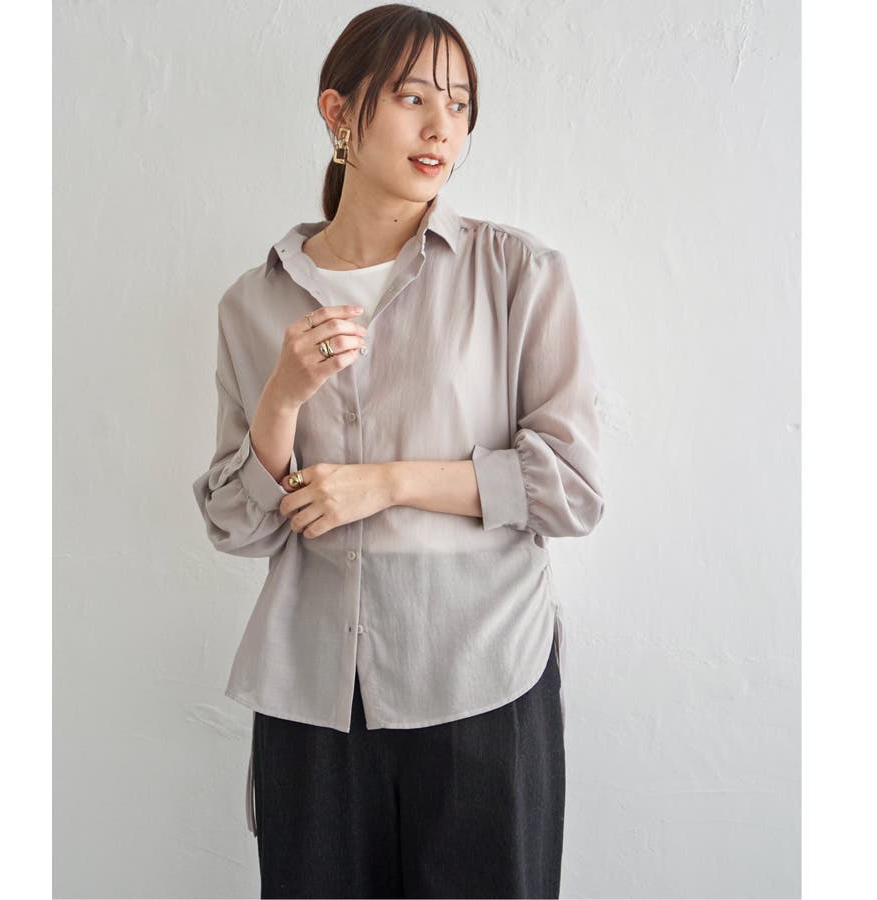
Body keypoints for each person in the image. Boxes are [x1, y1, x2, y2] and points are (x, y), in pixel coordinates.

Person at [192, 4, 605, 898]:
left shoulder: (517, 274)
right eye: (413, 98)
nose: (441, 128)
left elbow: (571, 488)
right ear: (339, 113)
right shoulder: (251, 304)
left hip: (483, 679)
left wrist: (386, 483)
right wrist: (282, 396)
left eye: (458, 105)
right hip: (311, 700)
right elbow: (237, 526)